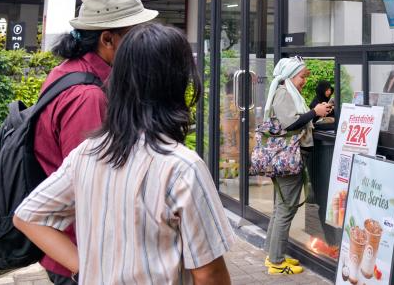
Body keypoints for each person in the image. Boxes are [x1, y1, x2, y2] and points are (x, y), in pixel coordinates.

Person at [14, 23, 233, 284]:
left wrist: (88, 270)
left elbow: (27, 215)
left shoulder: (86, 152)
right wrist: (83, 267)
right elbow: (209, 273)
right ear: (177, 82)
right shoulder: (182, 167)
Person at [32, 0, 157, 283]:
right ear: (107, 39)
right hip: (84, 255)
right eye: (135, 35)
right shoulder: (87, 96)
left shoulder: (68, 71)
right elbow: (91, 187)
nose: (141, 44)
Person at [263, 56, 333, 275]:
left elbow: (299, 121)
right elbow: (291, 123)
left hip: (288, 157)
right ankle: (276, 262)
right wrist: (314, 112)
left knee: (281, 207)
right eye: (302, 76)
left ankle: (272, 254)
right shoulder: (284, 93)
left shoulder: (288, 92)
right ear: (291, 75)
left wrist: (316, 116)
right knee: (286, 209)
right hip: (289, 157)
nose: (304, 81)